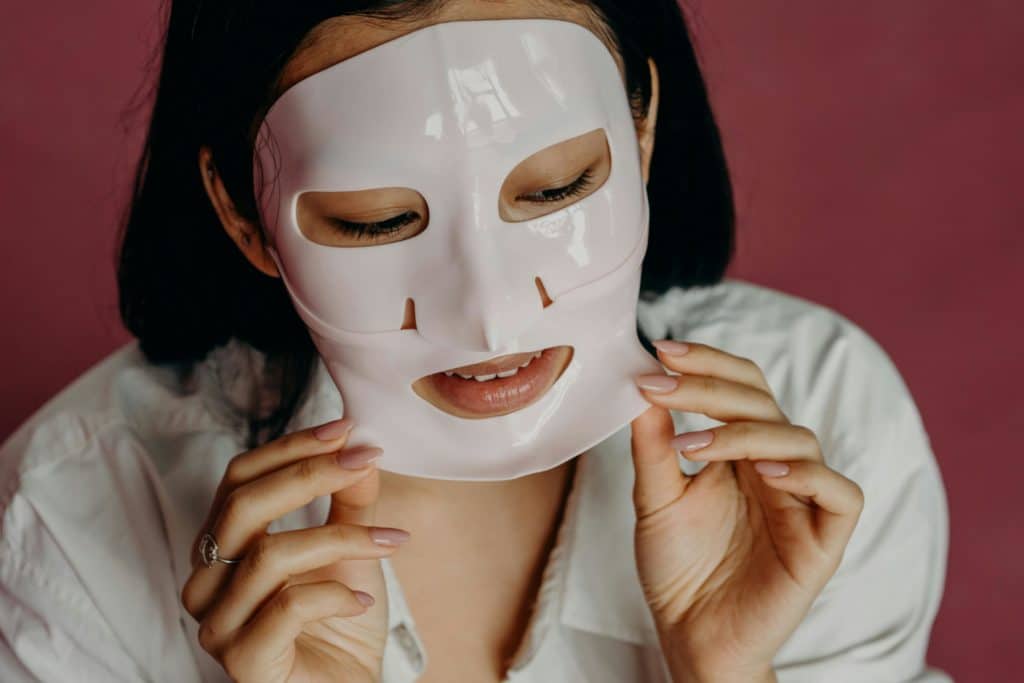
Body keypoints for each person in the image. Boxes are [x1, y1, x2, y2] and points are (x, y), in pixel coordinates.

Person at [0, 1, 951, 682]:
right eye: (374, 223)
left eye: (555, 189)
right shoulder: (69, 520)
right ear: (243, 215)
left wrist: (732, 670)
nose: (492, 317)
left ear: (641, 129)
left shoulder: (820, 420)